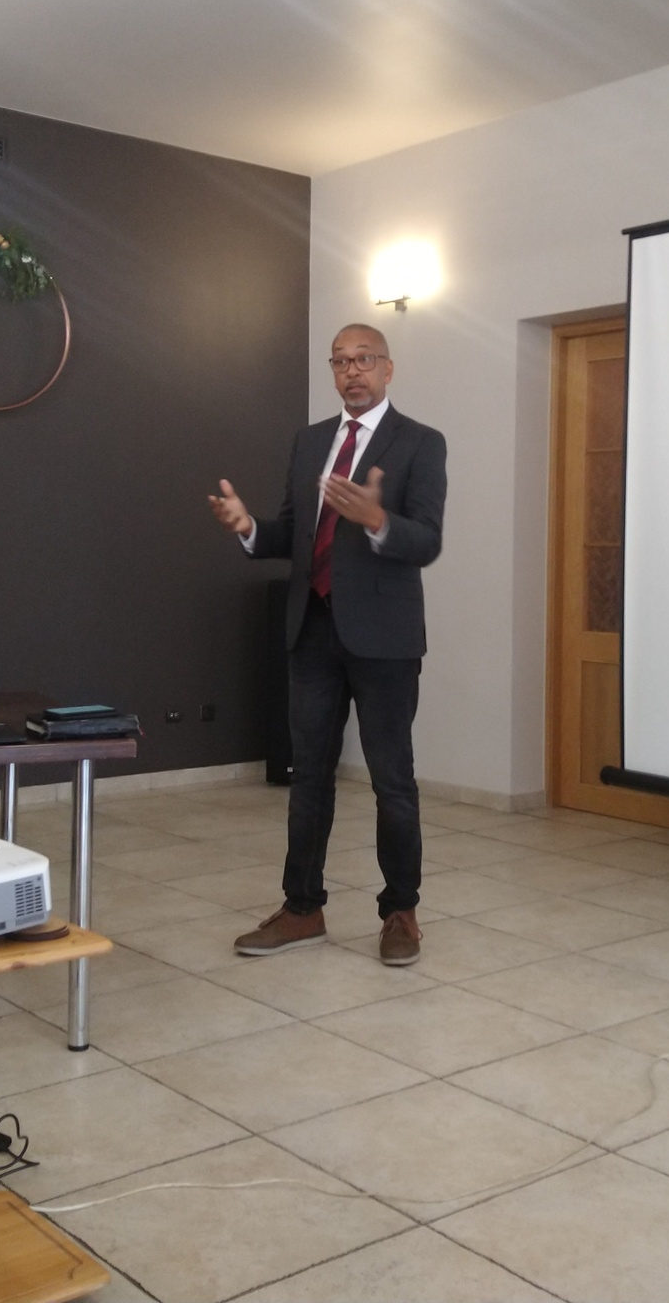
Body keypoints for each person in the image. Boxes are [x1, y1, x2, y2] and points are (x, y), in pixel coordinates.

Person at [208, 324, 446, 965]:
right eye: (340, 362)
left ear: (388, 369)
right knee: (309, 775)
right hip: (311, 630)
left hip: (385, 640)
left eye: (364, 359)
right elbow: (294, 532)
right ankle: (302, 908)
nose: (351, 371)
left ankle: (400, 911)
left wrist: (377, 519)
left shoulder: (420, 442)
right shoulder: (311, 441)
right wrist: (249, 528)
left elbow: (427, 539)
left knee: (392, 780)